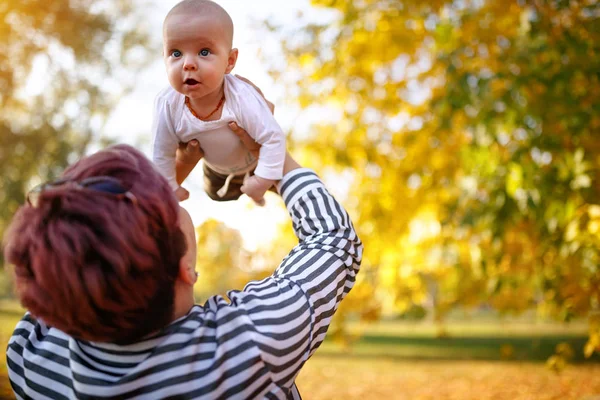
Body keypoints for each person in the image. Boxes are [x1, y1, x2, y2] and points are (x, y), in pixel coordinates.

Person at [3, 98, 363, 398]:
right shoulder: (242, 349)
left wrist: (161, 181)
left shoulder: (30, 357)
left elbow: (58, 266)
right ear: (184, 270)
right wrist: (272, 154)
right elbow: (332, 239)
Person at [152, 0, 285, 206]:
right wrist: (170, 185)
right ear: (164, 59)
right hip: (217, 171)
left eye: (204, 52)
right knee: (216, 195)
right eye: (176, 53)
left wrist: (261, 181)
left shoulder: (241, 96)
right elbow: (162, 151)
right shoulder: (168, 105)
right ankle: (249, 190)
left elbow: (273, 138)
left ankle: (259, 193)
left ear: (229, 61)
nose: (188, 63)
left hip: (260, 161)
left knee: (289, 187)